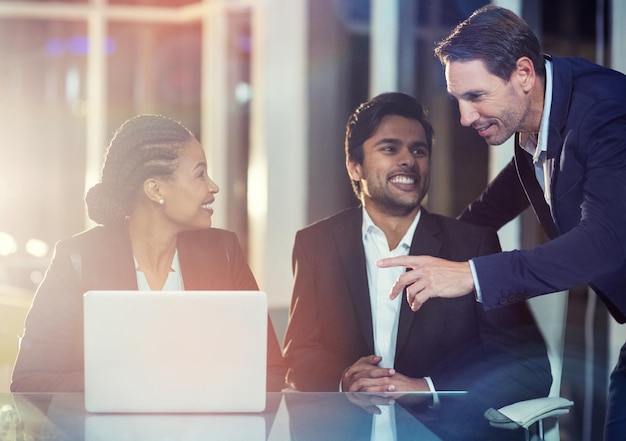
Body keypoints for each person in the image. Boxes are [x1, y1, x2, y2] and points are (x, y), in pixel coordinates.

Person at [377, 5, 626, 440]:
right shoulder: (536, 130)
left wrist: (469, 274)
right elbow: (484, 215)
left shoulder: (607, 114)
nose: (465, 117)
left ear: (524, 74)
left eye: (476, 97)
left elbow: (602, 243)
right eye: (458, 99)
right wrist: (423, 259)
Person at [282, 92, 552, 411]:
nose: (408, 160)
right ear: (355, 166)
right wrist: (343, 381)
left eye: (418, 150)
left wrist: (429, 388)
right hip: (346, 427)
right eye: (389, 148)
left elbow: (528, 368)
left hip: (441, 429)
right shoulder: (316, 244)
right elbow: (299, 355)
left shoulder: (473, 246)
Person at [11, 114, 286, 392]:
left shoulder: (224, 253)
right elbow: (30, 382)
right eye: (200, 174)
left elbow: (271, 373)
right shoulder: (77, 258)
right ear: (155, 190)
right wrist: (137, 385)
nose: (213, 187)